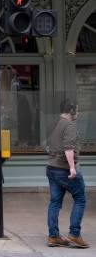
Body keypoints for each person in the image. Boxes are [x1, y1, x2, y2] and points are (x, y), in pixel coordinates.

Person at [46, 99, 88, 248]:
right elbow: (68, 148)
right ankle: (74, 234)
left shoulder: (54, 123)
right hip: (64, 169)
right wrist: (72, 168)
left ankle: (53, 236)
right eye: (77, 109)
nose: (78, 112)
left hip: (51, 167)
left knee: (55, 202)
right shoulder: (69, 125)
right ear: (71, 110)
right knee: (81, 198)